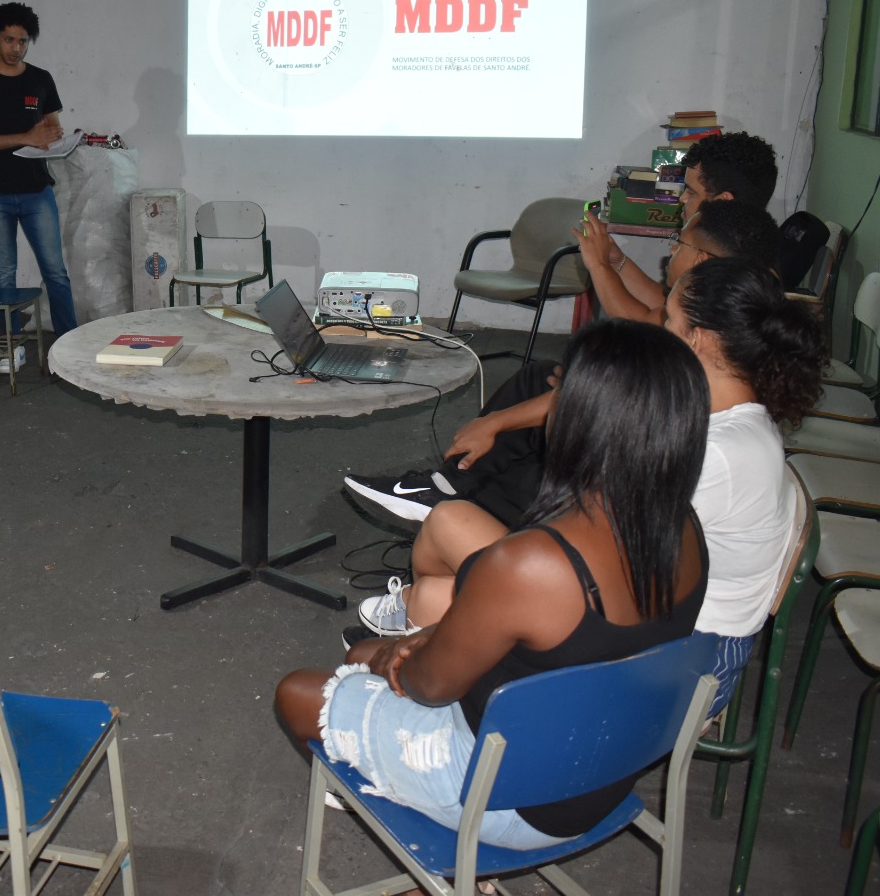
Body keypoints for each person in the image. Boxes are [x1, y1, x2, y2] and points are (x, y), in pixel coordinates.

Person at [276, 320, 710, 850]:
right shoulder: (685, 529)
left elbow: (429, 687)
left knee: (298, 691)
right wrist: (410, 645)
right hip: (604, 767)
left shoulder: (531, 562)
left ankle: (433, 828)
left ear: (582, 419)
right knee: (363, 653)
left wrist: (398, 654)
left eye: (561, 395)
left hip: (510, 799)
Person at [377, 259, 824, 706]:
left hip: (674, 656)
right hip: (658, 614)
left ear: (698, 339)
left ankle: (413, 655)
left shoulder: (716, 452)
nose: (657, 327)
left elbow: (598, 558)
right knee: (447, 534)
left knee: (439, 581)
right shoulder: (729, 419)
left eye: (668, 319)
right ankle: (417, 633)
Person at [344, 199, 782, 530]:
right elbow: (650, 318)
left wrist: (497, 420)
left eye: (679, 241)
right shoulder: (727, 315)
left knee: (552, 446)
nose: (671, 248)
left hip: (622, 544)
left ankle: (459, 509)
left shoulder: (702, 365)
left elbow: (627, 361)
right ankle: (448, 490)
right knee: (540, 380)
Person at [0, 1, 79, 349]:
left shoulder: (41, 79)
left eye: (23, 41)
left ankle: (69, 345)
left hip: (37, 190)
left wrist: (55, 138)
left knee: (55, 271)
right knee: (4, 273)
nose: (16, 48)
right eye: (9, 40)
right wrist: (25, 137)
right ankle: (11, 345)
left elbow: (51, 128)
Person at [574, 131, 779, 325]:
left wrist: (598, 265)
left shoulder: (727, 273)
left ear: (723, 201)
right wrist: (617, 261)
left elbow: (647, 323)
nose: (683, 199)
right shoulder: (744, 249)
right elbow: (666, 305)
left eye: (691, 192)